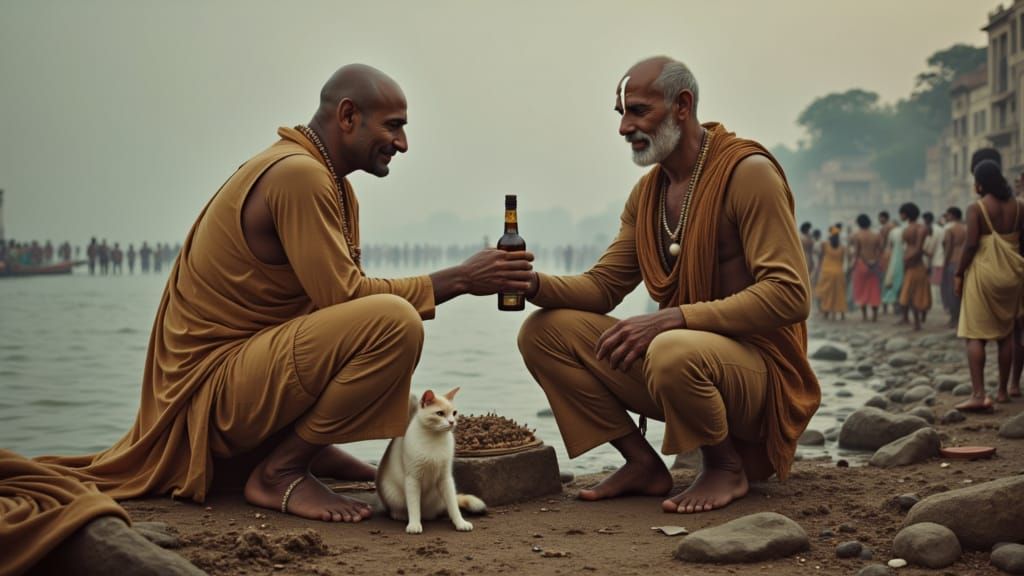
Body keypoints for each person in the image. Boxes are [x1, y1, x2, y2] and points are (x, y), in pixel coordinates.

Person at [3, 64, 535, 575]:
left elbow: (324, 308)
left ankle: (304, 448)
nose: (402, 143)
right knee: (394, 323)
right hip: (210, 395)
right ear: (347, 116)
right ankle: (279, 470)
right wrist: (461, 279)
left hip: (246, 382)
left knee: (386, 331)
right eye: (393, 126)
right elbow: (344, 299)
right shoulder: (299, 175)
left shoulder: (333, 183)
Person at [517, 56, 819, 514]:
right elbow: (602, 287)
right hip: (683, 367)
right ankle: (642, 463)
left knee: (670, 346)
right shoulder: (649, 194)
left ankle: (725, 466)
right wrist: (529, 282)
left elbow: (790, 294)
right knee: (544, 332)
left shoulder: (747, 172)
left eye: (637, 111)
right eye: (620, 114)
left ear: (682, 105)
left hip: (756, 376)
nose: (623, 127)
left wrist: (673, 318)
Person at [955, 160, 1024, 409]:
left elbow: (971, 245)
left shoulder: (977, 209)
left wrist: (959, 273)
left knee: (975, 334)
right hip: (1013, 273)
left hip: (983, 273)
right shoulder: (1019, 207)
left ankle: (979, 394)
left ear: (981, 183)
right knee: (1006, 334)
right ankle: (1004, 391)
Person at [898, 202, 930, 330]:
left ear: (906, 214)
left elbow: (918, 249)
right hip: (910, 264)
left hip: (916, 264)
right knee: (910, 294)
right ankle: (916, 320)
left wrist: (906, 258)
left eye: (902, 213)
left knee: (916, 293)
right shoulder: (908, 227)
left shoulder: (920, 228)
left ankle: (919, 320)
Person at [850, 214, 882, 321]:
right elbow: (879, 251)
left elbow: (857, 252)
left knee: (861, 290)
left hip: (861, 265)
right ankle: (875, 316)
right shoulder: (876, 235)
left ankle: (864, 316)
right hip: (874, 265)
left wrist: (852, 266)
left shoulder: (857, 235)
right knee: (874, 290)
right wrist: (875, 262)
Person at [815, 226, 847, 320]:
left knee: (827, 293)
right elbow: (842, 260)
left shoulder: (825, 244)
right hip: (838, 272)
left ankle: (826, 312)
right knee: (840, 293)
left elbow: (820, 256)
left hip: (827, 271)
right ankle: (842, 314)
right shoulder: (842, 247)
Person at [942, 206, 966, 327]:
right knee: (962, 291)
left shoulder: (950, 229)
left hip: (952, 262)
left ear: (952, 215)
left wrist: (944, 264)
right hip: (964, 261)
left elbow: (948, 248)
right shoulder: (966, 228)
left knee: (952, 291)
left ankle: (954, 318)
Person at [882, 215, 904, 316]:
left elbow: (889, 246)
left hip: (892, 262)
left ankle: (891, 307)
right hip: (900, 261)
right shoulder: (902, 230)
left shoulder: (893, 234)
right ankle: (898, 307)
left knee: (890, 284)